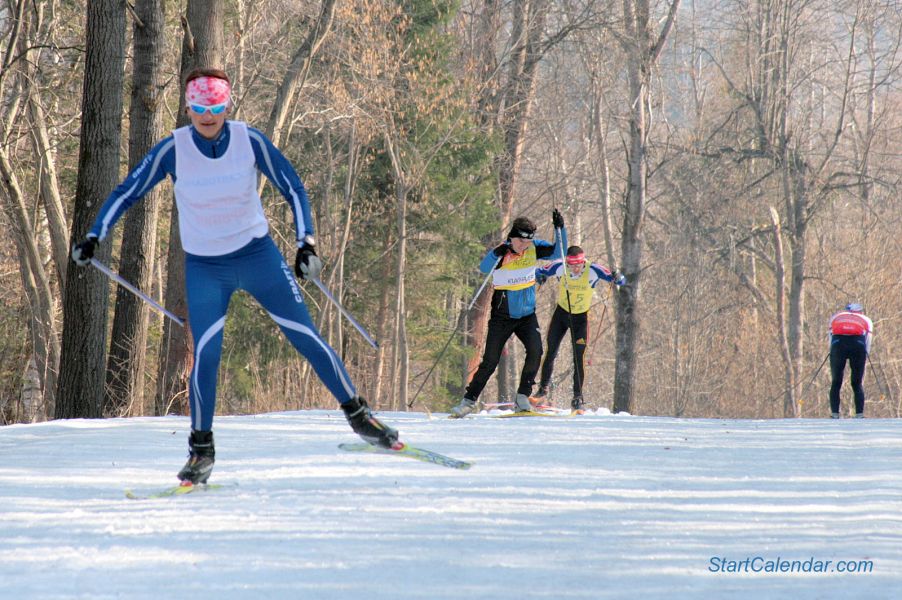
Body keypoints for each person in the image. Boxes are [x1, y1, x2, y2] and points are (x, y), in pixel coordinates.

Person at [71, 67, 398, 484]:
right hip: (206, 267)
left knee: (306, 337)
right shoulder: (173, 149)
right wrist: (94, 236)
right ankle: (201, 451)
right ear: (188, 107)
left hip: (257, 256)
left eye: (217, 106)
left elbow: (293, 186)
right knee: (206, 355)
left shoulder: (249, 140)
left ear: (228, 104)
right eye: (199, 107)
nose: (208, 115)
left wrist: (306, 243)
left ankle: (360, 416)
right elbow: (126, 191)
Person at [450, 211, 566, 417]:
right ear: (512, 237)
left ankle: (522, 396)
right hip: (502, 317)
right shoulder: (502, 252)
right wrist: (497, 253)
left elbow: (560, 252)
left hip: (527, 316)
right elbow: (484, 268)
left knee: (536, 351)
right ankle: (468, 401)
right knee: (490, 361)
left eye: (528, 241)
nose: (524, 245)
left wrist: (560, 229)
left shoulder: (534, 248)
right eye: (521, 241)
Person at [533, 246, 626, 413]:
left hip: (580, 319)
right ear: (567, 262)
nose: (575, 268)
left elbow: (621, 281)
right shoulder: (559, 265)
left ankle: (577, 398)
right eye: (572, 264)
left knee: (579, 357)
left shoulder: (593, 269)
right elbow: (538, 271)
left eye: (579, 264)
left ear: (584, 262)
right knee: (550, 350)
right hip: (561, 315)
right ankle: (542, 389)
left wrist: (617, 277)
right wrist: (540, 277)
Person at [827, 302, 873, 419]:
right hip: (858, 345)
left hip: (838, 345)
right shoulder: (865, 319)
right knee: (857, 383)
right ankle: (859, 414)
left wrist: (832, 351)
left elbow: (830, 336)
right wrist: (866, 353)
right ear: (860, 311)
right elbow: (868, 338)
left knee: (836, 382)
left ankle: (835, 414)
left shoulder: (836, 317)